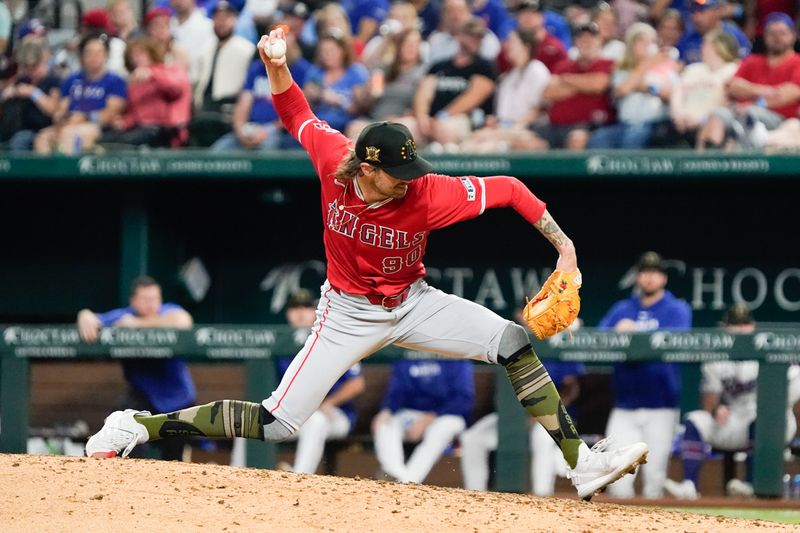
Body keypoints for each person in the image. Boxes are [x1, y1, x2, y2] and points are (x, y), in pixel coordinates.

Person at [85, 25, 648, 502]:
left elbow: (509, 188)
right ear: (369, 167)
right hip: (346, 312)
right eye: (399, 171)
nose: (411, 178)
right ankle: (137, 425)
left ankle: (581, 462)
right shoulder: (336, 161)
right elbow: (293, 111)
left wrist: (565, 247)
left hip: (413, 302)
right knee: (277, 422)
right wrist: (276, 65)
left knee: (510, 341)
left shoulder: (429, 191)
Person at [663, 305, 800, 499]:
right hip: (735, 415)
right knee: (695, 420)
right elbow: (709, 397)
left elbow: (793, 390)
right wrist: (715, 409)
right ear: (725, 328)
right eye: (734, 324)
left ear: (752, 326)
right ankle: (690, 485)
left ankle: (751, 484)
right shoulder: (717, 356)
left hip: (773, 419)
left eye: (744, 324)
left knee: (761, 420)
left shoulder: (771, 346)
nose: (739, 329)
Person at [232, 290, 367, 472]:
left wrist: (328, 403)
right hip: (293, 414)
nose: (301, 312)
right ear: (288, 313)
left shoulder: (334, 336)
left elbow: (357, 383)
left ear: (317, 310)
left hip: (332, 413)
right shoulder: (280, 343)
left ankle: (300, 478)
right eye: (295, 307)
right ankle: (235, 476)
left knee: (316, 421)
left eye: (307, 307)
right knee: (250, 422)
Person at [598, 251, 692, 499]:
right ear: (638, 278)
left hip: (661, 405)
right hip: (625, 405)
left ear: (663, 278)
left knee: (654, 481)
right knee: (617, 478)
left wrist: (636, 332)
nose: (649, 278)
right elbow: (598, 338)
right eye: (644, 273)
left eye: (654, 273)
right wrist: (617, 332)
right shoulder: (622, 308)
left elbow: (678, 342)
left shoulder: (677, 309)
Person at [460, 318, 584, 495]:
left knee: (543, 437)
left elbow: (571, 389)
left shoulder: (558, 343)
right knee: (472, 438)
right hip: (511, 416)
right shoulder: (509, 342)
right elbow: (500, 393)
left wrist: (541, 413)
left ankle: (542, 495)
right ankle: (474, 494)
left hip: (550, 416)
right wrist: (515, 415)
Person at [77, 276, 196, 461]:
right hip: (143, 396)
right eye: (145, 299)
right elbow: (92, 317)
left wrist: (137, 326)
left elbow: (183, 320)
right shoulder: (125, 315)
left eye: (155, 299)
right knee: (123, 419)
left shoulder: (168, 312)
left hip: (177, 398)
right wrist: (84, 315)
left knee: (173, 457)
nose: (151, 304)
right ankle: (129, 475)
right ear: (133, 301)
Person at [697, 13, 800, 150]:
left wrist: (753, 98)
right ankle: (704, 165)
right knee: (718, 114)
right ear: (764, 35)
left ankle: (739, 167)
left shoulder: (797, 62)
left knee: (748, 116)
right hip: (740, 111)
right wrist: (767, 91)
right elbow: (732, 86)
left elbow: (790, 94)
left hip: (779, 118)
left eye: (782, 33)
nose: (777, 37)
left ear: (793, 34)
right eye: (772, 33)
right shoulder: (753, 61)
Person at [212, 22, 311, 151]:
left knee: (267, 149)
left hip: (280, 132)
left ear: (293, 39)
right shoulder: (257, 68)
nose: (278, 41)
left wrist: (268, 130)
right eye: (274, 36)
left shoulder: (302, 69)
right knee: (219, 150)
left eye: (284, 36)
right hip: (252, 128)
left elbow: (300, 112)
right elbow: (244, 102)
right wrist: (241, 129)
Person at [373, 357, 473, 483]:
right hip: (412, 415)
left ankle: (408, 482)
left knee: (441, 429)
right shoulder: (407, 354)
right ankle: (395, 474)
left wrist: (428, 419)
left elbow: (463, 400)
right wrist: (386, 410)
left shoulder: (456, 356)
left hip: (446, 416)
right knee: (385, 424)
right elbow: (397, 394)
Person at [588, 23, 679, 149]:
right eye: (642, 41)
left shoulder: (665, 69)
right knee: (598, 139)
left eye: (651, 41)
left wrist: (648, 87)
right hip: (623, 124)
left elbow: (671, 95)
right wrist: (646, 66)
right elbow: (622, 90)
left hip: (653, 124)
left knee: (633, 137)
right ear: (632, 45)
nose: (648, 46)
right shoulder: (623, 70)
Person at [33, 34, 127, 155]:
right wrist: (61, 116)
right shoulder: (71, 80)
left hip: (97, 127)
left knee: (69, 135)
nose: (93, 57)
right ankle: (45, 174)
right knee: (43, 138)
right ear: (82, 56)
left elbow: (111, 113)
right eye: (89, 53)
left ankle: (67, 173)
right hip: (69, 124)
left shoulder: (115, 81)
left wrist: (84, 117)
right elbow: (63, 107)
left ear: (106, 56)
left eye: (98, 53)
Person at [412, 17, 497, 150]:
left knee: (445, 128)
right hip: (431, 120)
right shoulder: (440, 66)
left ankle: (444, 168)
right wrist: (422, 118)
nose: (476, 40)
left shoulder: (484, 67)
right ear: (459, 35)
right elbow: (424, 93)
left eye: (480, 37)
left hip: (463, 119)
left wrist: (442, 116)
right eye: (472, 36)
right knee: (404, 128)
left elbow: (473, 97)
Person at [460, 28, 549, 152]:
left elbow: (537, 110)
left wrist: (511, 129)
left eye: (512, 42)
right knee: (468, 144)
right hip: (503, 128)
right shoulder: (507, 77)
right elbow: (502, 114)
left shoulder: (537, 70)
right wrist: (495, 122)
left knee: (486, 147)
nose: (507, 46)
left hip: (527, 130)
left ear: (526, 47)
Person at [100, 36, 192, 148]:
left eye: (140, 54)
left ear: (151, 53)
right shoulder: (134, 82)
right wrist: (124, 122)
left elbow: (176, 89)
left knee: (131, 140)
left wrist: (153, 75)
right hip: (139, 128)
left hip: (165, 129)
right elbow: (135, 113)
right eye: (132, 56)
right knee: (105, 139)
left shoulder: (169, 71)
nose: (136, 59)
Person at [539, 22, 614, 150]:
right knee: (526, 141)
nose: (586, 42)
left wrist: (565, 79)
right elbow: (549, 92)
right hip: (555, 126)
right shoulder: (563, 66)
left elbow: (598, 85)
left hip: (591, 126)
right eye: (582, 38)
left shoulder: (607, 64)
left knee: (577, 139)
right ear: (575, 42)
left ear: (600, 41)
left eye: (591, 38)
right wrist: (585, 86)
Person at [670, 30, 739, 147]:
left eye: (706, 44)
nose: (701, 47)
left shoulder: (733, 70)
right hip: (681, 123)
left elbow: (727, 104)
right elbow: (677, 93)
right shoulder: (692, 69)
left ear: (719, 47)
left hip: (709, 124)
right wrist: (678, 115)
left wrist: (701, 120)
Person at [0, 37, 61, 151]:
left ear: (44, 60)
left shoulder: (53, 80)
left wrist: (33, 92)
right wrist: (9, 93)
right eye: (27, 67)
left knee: (19, 141)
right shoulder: (22, 80)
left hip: (42, 130)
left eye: (34, 66)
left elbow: (54, 109)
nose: (31, 71)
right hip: (17, 128)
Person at [303, 30, 369, 134]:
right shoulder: (315, 72)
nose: (326, 55)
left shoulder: (356, 72)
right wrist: (314, 96)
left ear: (343, 51)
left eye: (331, 50)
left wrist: (339, 101)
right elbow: (305, 107)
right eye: (323, 51)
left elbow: (358, 109)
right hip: (319, 125)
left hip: (346, 125)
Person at [676, 0, 750, 65]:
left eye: (702, 12)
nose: (696, 18)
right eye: (693, 12)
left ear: (717, 11)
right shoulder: (687, 38)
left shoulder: (733, 35)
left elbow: (744, 66)